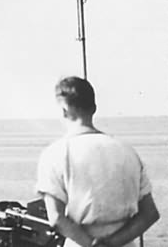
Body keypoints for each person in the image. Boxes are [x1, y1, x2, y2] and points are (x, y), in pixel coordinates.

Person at [36, 76, 160, 247]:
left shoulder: (54, 154)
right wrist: (112, 243)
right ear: (93, 108)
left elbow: (56, 218)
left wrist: (92, 244)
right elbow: (150, 214)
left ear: (63, 110)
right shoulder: (128, 152)